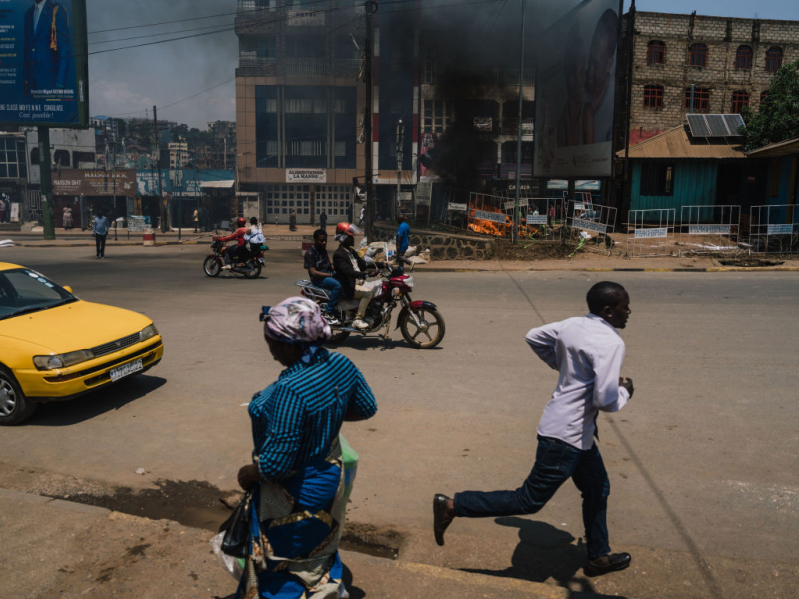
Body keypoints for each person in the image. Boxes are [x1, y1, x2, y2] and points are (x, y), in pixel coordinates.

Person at [433, 282, 634, 578]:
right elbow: (605, 400)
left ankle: (598, 558)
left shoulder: (572, 324)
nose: (629, 312)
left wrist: (565, 368)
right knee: (528, 500)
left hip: (574, 433)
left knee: (597, 489)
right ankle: (452, 505)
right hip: (566, 438)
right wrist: (626, 391)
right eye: (624, 307)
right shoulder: (611, 342)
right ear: (608, 311)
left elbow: (534, 336)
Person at [236, 297, 377, 599]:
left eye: (272, 341)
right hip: (329, 475)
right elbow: (365, 407)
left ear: (290, 345)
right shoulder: (340, 363)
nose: (269, 348)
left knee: (284, 563)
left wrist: (248, 474)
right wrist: (326, 419)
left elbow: (275, 467)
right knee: (317, 547)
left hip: (296, 492)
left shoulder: (291, 389)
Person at [582, 9, 619, 145]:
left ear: (609, 64)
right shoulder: (580, 92)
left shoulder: (615, 105)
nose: (590, 71)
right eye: (589, 62)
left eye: (596, 65)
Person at [23, 0, 73, 96]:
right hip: (30, 80)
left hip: (50, 81)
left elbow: (65, 49)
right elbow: (27, 47)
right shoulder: (28, 13)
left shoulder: (57, 9)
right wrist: (25, 78)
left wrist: (60, 83)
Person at [333, 222, 373, 330]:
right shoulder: (339, 254)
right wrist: (364, 275)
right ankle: (358, 319)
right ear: (343, 238)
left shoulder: (351, 252)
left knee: (378, 288)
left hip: (356, 283)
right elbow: (349, 272)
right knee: (368, 293)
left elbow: (363, 264)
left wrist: (381, 265)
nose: (353, 239)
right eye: (350, 237)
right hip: (348, 286)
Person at [304, 229, 342, 325]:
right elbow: (313, 272)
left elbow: (329, 266)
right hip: (318, 280)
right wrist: (331, 274)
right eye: (321, 240)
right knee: (338, 285)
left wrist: (342, 268)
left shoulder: (323, 251)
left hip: (327, 276)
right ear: (315, 240)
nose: (324, 242)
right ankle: (328, 311)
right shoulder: (310, 252)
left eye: (325, 240)